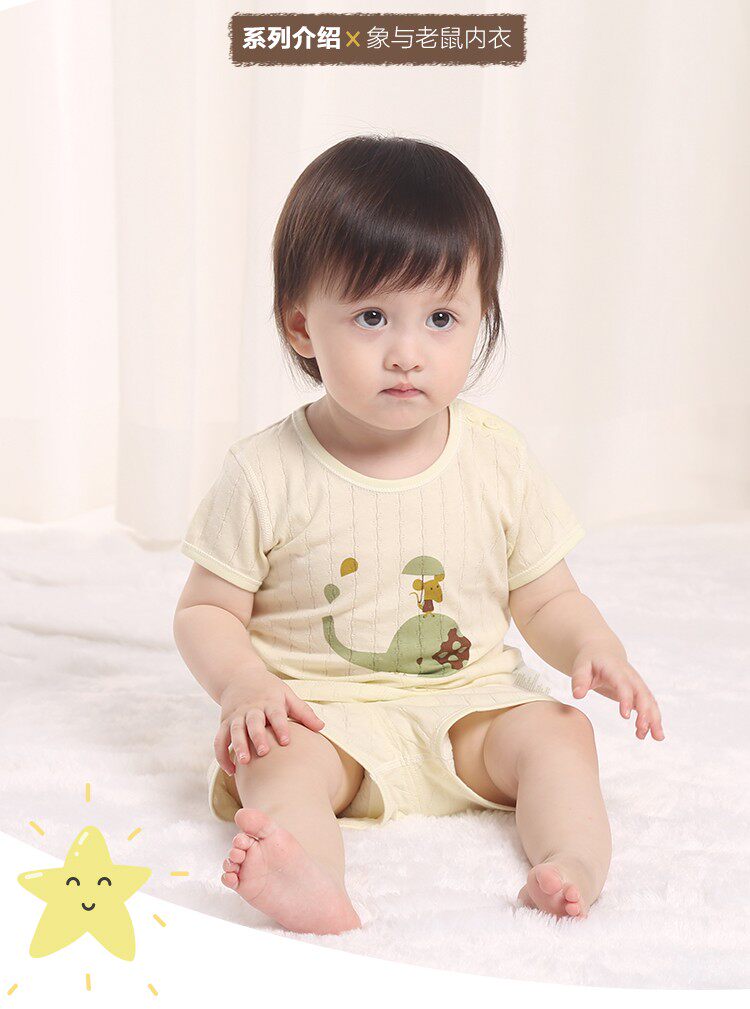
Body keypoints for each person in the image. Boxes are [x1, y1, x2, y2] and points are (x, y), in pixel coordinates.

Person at [173, 135, 665, 936]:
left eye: (440, 318)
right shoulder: (265, 472)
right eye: (372, 317)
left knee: (559, 734)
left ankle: (570, 863)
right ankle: (311, 882)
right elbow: (205, 611)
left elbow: (545, 596)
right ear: (302, 327)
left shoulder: (498, 458)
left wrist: (592, 645)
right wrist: (244, 686)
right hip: (325, 719)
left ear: (479, 321)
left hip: (470, 711)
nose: (407, 353)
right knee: (276, 762)